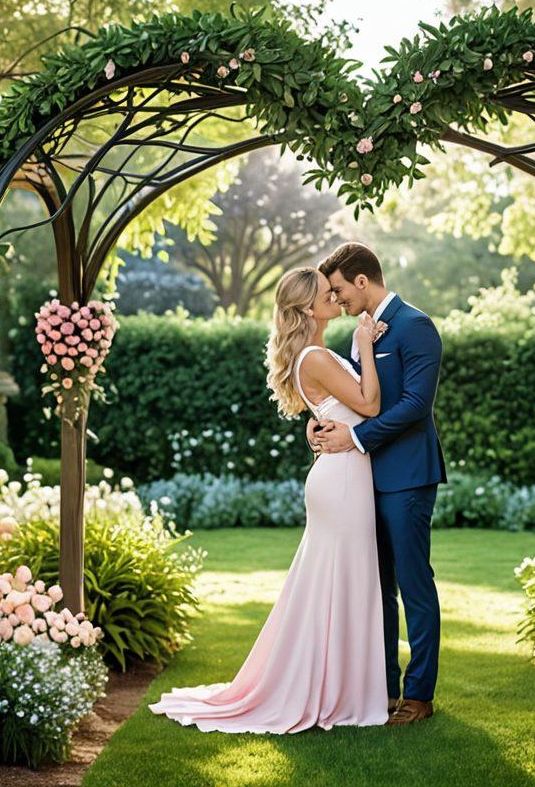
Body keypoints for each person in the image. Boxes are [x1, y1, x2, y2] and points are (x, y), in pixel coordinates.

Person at [149, 266, 390, 733]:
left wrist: (318, 421)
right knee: (339, 583)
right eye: (326, 294)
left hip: (341, 475)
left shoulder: (313, 354)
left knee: (337, 584)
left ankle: (338, 688)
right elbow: (370, 405)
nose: (335, 298)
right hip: (340, 480)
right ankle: (334, 693)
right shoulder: (316, 357)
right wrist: (363, 347)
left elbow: (331, 410)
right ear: (307, 308)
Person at [311, 241, 447, 726]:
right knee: (378, 589)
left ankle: (419, 695)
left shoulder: (416, 327)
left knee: (413, 585)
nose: (338, 299)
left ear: (363, 281)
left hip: (408, 477)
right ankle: (384, 688)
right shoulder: (360, 335)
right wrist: (322, 426)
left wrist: (356, 439)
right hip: (365, 480)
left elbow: (415, 406)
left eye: (341, 289)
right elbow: (354, 399)